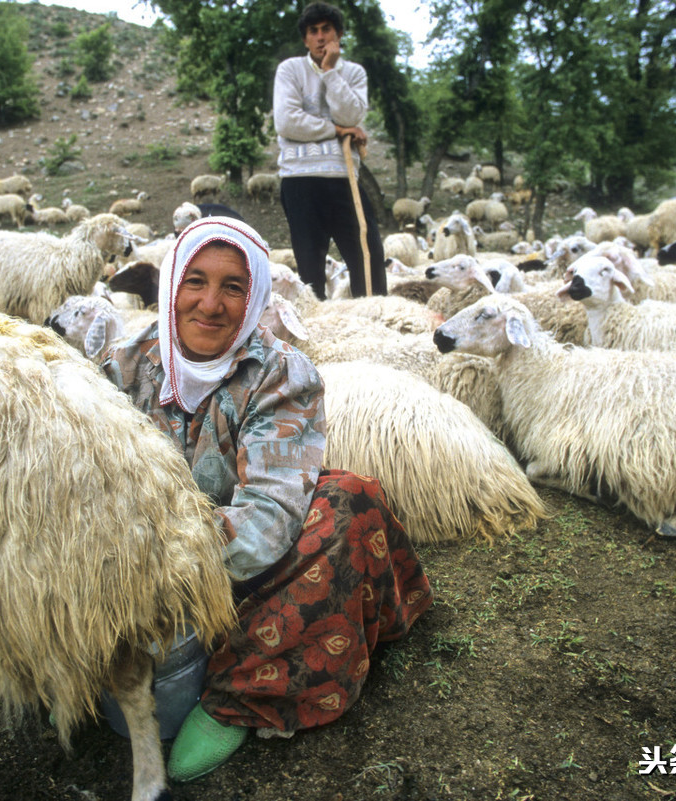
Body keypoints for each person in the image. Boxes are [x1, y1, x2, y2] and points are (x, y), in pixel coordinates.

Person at [102, 216, 431, 782]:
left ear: (255, 294)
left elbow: (267, 523)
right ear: (171, 284)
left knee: (349, 501)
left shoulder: (280, 374)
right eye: (195, 281)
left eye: (233, 287)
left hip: (237, 567)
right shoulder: (122, 364)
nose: (210, 304)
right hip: (121, 557)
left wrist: (160, 563)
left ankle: (240, 693)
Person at [273, 1, 386, 300]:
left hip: (343, 175)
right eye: (313, 31)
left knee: (368, 256)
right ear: (305, 38)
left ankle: (375, 326)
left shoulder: (354, 73)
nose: (320, 37)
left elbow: (351, 116)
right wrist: (337, 131)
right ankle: (313, 334)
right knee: (310, 268)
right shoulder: (290, 70)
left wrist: (329, 72)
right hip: (300, 179)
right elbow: (287, 122)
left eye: (327, 30)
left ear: (338, 35)